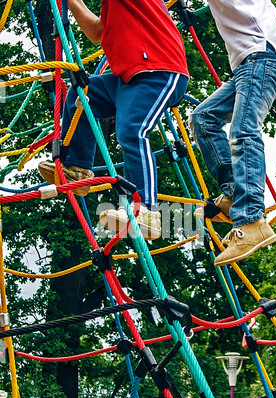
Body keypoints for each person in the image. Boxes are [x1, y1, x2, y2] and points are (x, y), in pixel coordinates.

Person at [38, 0, 189, 240]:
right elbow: (97, 31)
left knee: (132, 131)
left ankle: (146, 210)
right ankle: (78, 169)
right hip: (128, 77)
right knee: (80, 92)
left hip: (159, 70)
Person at [190, 0, 276, 266]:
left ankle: (251, 220)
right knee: (203, 119)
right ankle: (234, 193)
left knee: (243, 130)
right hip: (249, 64)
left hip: (265, 55)